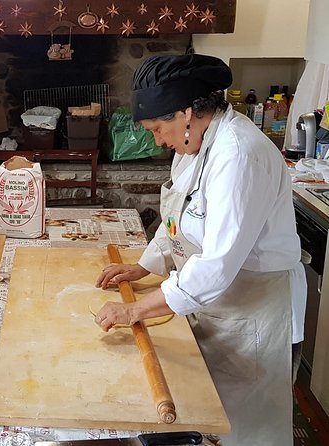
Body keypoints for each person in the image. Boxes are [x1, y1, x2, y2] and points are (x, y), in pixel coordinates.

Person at [93, 54, 306, 446]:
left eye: (158, 128)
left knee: (245, 427)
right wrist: (143, 266)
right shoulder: (192, 145)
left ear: (186, 112)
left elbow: (217, 263)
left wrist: (135, 310)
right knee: (208, 414)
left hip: (253, 310)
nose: (157, 140)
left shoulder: (239, 154)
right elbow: (178, 218)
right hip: (216, 303)